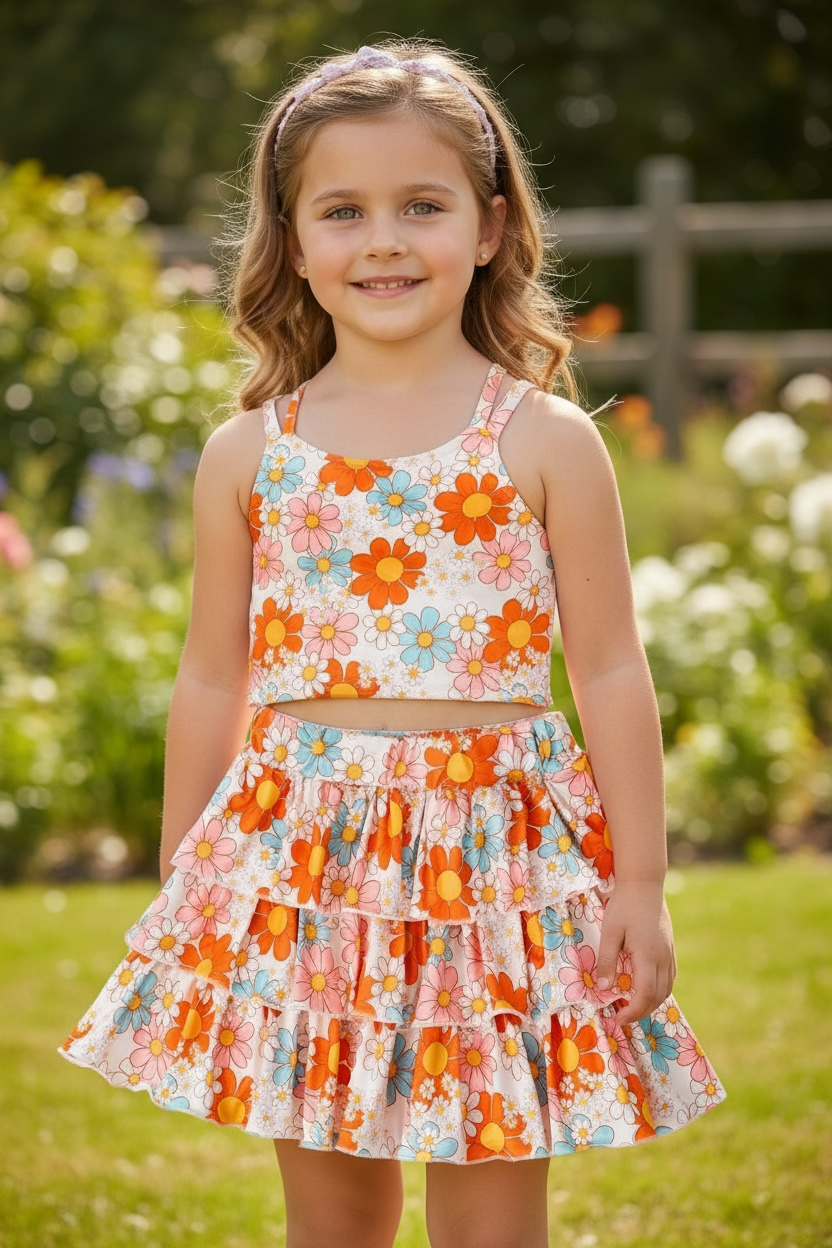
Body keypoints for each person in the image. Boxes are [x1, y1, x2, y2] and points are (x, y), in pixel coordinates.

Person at [59, 37, 727, 1248]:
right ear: (293, 239)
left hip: (494, 861)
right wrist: (187, 872)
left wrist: (641, 883)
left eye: (421, 206)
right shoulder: (249, 452)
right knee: (335, 1221)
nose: (382, 241)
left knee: (489, 1216)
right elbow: (213, 671)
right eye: (343, 210)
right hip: (301, 859)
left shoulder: (544, 439)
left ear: (486, 227)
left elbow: (610, 667)